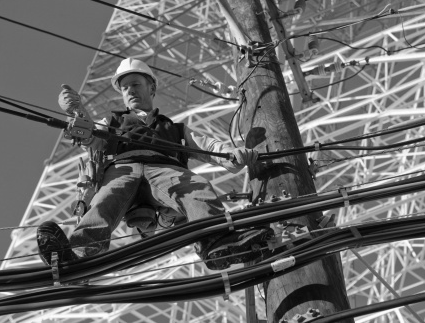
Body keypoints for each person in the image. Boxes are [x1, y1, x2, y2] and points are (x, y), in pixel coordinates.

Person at [37, 58, 273, 271]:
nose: (130, 90)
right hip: (122, 168)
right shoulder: (111, 120)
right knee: (104, 203)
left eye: (135, 84)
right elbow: (91, 137)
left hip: (166, 169)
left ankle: (216, 241)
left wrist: (233, 154)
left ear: (151, 87)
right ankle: (79, 256)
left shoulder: (175, 128)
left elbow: (209, 147)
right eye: (125, 87)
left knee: (196, 188)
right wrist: (77, 111)